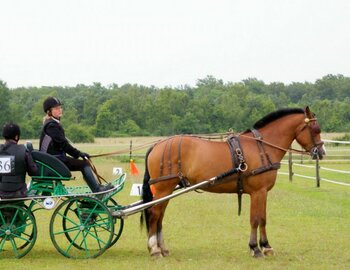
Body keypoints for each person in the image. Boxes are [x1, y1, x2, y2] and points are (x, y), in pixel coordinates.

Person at [39, 96, 113, 193]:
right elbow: (64, 145)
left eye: (60, 107)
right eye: (56, 108)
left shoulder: (52, 124)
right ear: (49, 111)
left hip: (54, 159)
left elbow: (63, 144)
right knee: (84, 164)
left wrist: (79, 154)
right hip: (54, 160)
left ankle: (97, 188)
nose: (60, 110)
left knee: (84, 163)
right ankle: (97, 190)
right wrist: (79, 154)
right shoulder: (52, 126)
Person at [0, 123, 39, 198]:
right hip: (18, 192)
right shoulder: (23, 150)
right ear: (16, 136)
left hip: (1, 192)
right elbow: (33, 172)